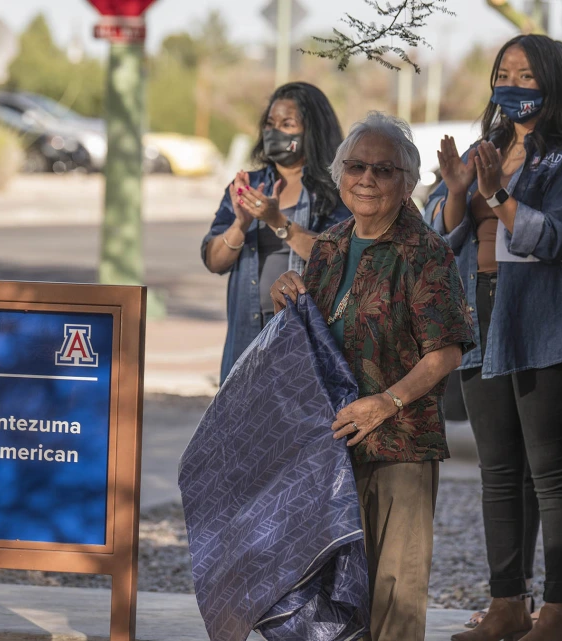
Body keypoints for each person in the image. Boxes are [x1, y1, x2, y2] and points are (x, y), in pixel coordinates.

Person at [270, 111, 475, 641]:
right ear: (340, 175)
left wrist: (387, 402)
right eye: (356, 166)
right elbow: (312, 334)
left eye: (382, 170)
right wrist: (286, 296)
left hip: (398, 446)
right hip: (330, 445)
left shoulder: (426, 252)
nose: (366, 179)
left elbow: (446, 352)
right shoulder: (332, 245)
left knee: (394, 596)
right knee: (329, 592)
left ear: (407, 181)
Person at [425, 34, 562, 641]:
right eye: (505, 72)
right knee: (498, 472)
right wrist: (455, 191)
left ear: (553, 83)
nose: (514, 84)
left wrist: (498, 194)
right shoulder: (489, 147)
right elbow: (440, 241)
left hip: (544, 321)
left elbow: (555, 239)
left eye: (527, 75)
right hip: (480, 318)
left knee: (552, 472)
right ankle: (506, 604)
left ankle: (558, 611)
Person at [201, 82, 351, 382]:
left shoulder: (336, 190)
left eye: (287, 124)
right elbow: (214, 261)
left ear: (312, 131)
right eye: (270, 124)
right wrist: (241, 223)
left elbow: (337, 256)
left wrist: (276, 220)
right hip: (247, 335)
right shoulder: (248, 184)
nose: (275, 132)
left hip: (304, 336)